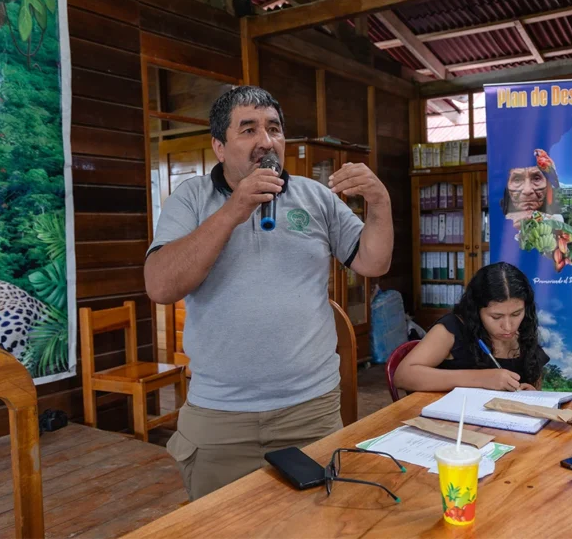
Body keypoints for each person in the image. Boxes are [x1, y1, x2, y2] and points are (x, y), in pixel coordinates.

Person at [144, 86, 393, 500]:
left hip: (310, 411)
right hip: (219, 416)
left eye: (274, 129)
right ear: (219, 147)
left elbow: (373, 262)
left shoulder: (315, 197)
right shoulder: (190, 198)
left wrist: (380, 202)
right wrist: (233, 210)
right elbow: (160, 285)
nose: (266, 141)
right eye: (248, 130)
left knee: (316, 526)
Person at [393, 262, 550, 393]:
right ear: (477, 310)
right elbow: (403, 376)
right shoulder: (452, 329)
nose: (508, 327)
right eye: (496, 317)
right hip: (451, 424)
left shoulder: (525, 331)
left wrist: (529, 394)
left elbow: (535, 386)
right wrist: (481, 379)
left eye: (516, 314)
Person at [502, 148, 564, 225]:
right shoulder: (501, 222)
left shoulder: (556, 220)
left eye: (536, 179)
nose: (527, 190)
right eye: (517, 180)